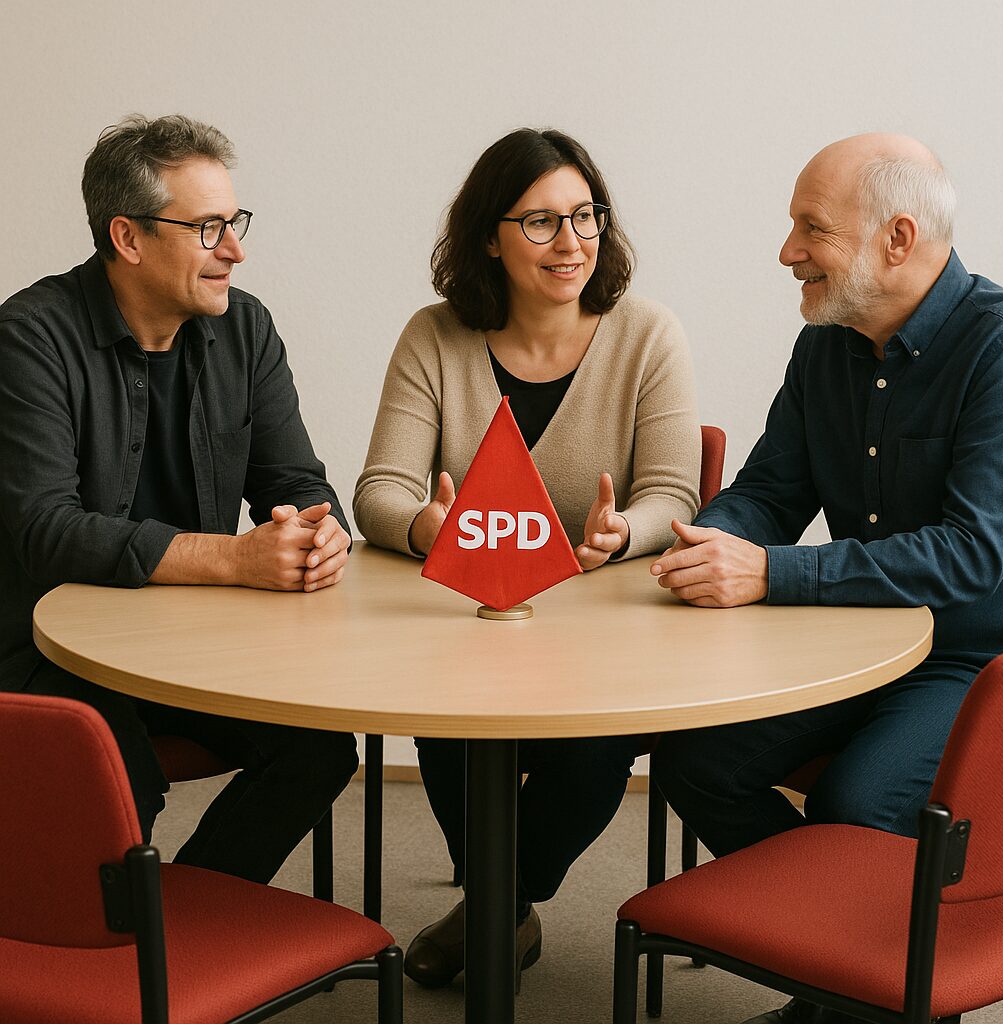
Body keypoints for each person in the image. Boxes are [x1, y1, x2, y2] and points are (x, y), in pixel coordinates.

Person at [650, 133, 1003, 1024]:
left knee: (855, 800)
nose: (787, 253)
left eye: (810, 228)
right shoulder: (826, 345)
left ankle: (858, 992)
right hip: (850, 643)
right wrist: (705, 543)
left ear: (898, 239)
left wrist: (771, 573)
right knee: (695, 761)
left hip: (971, 664)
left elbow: (971, 554)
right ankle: (852, 979)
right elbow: (772, 490)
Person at [354, 127, 701, 988]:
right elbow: (380, 492)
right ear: (488, 236)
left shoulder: (648, 335)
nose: (572, 241)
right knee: (445, 723)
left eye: (586, 216)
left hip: (607, 629)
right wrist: (430, 529)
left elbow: (675, 494)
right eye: (541, 222)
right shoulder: (433, 338)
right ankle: (502, 911)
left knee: (594, 750)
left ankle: (495, 908)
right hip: (472, 619)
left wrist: (628, 534)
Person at [0, 114, 357, 885]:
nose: (236, 249)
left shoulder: (247, 328)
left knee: (318, 748)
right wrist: (235, 557)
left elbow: (295, 481)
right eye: (208, 229)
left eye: (235, 223)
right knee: (120, 782)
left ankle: (188, 925)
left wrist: (319, 530)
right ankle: (128, 959)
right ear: (127, 238)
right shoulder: (28, 338)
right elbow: (44, 531)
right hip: (44, 644)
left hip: (181, 642)